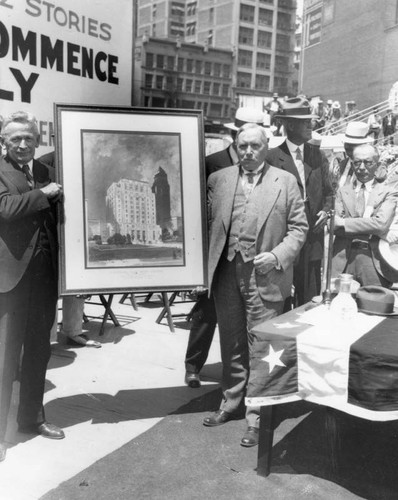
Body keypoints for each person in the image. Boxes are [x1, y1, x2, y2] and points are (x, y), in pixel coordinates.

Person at [202, 123, 308, 447]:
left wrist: (276, 257)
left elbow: (299, 228)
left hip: (266, 276)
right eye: (243, 145)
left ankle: (257, 417)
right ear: (236, 146)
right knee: (231, 341)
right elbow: (204, 227)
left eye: (255, 146)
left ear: (266, 147)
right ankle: (231, 403)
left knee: (262, 347)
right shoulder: (218, 181)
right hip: (226, 274)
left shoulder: (286, 181)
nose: (249, 152)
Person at [184, 107, 265, 388]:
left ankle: (239, 376)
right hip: (217, 252)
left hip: (248, 258)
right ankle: (193, 365)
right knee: (206, 313)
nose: (248, 149)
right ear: (234, 133)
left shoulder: (267, 167)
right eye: (243, 138)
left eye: (255, 142)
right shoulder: (212, 163)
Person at [0, 111, 65, 461]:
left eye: (28, 138)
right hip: (9, 281)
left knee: (39, 350)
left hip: (44, 277)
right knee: (4, 358)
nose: (23, 145)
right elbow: (5, 209)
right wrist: (44, 194)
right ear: (3, 143)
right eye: (15, 139)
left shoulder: (45, 172)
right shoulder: (5, 172)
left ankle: (32, 419)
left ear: (37, 141)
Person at [266, 96, 333, 306]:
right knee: (282, 300)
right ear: (291, 125)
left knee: (309, 301)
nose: (310, 125)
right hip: (284, 242)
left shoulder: (318, 156)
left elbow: (329, 193)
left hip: (312, 242)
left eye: (310, 121)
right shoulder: (271, 158)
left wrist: (326, 210)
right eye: (305, 122)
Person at [38, 151, 101, 349]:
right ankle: (47, 338)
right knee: (49, 287)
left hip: (75, 231)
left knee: (76, 284)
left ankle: (74, 331)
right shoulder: (44, 162)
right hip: (52, 228)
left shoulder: (83, 157)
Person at [332, 143, 398, 286]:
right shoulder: (342, 191)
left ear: (377, 164)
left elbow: (381, 224)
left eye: (368, 162)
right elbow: (334, 227)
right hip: (343, 261)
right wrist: (377, 232)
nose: (362, 167)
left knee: (373, 305)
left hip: (374, 264)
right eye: (357, 162)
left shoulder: (388, 192)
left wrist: (345, 223)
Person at [334, 121, 374, 187]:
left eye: (352, 144)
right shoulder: (343, 164)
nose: (347, 147)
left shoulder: (370, 168)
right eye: (346, 143)